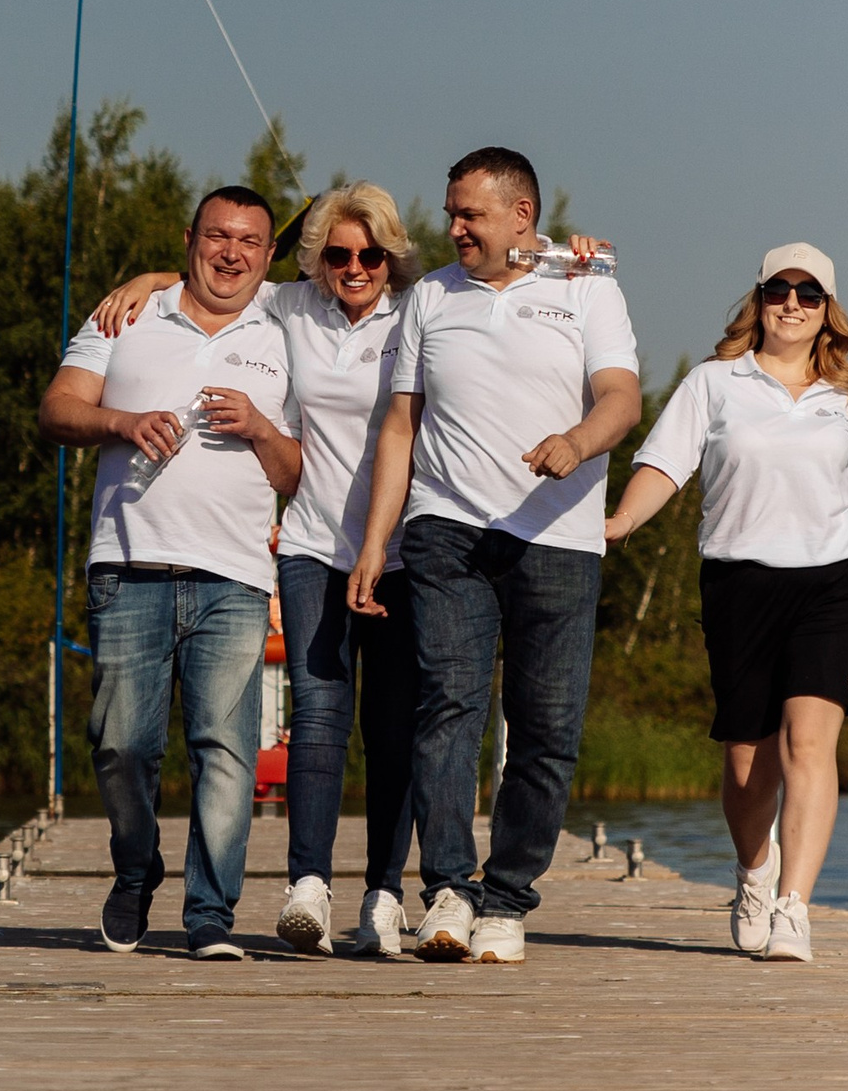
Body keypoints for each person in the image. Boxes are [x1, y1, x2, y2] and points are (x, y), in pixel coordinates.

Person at [96, 187, 611, 959]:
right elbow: (221, 272)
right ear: (317, 259)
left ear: (392, 255)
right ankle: (308, 884)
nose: (355, 266)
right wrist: (146, 280)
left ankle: (382, 894)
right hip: (311, 544)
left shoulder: (422, 308)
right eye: (337, 253)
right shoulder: (293, 306)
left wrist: (574, 256)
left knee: (397, 726)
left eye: (371, 253)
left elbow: (515, 277)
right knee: (318, 716)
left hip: (407, 550)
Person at [348, 147, 641, 965]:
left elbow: (622, 399)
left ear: (521, 215)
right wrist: (375, 541)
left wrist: (577, 441)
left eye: (469, 213)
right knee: (447, 705)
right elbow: (400, 425)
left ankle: (508, 898)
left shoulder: (587, 286)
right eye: (451, 212)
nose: (454, 228)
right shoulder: (431, 298)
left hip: (559, 537)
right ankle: (448, 888)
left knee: (547, 728)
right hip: (447, 530)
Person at [604, 243, 848, 963]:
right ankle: (755, 872)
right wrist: (620, 522)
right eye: (780, 290)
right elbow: (664, 465)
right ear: (760, 297)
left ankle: (795, 908)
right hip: (740, 583)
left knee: (809, 744)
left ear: (827, 310)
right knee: (748, 763)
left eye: (809, 294)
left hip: (833, 584)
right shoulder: (714, 383)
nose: (792, 304)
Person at [40, 186, 303, 960]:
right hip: (128, 566)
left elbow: (295, 474)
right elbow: (57, 409)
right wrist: (121, 422)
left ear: (269, 255)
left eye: (249, 241)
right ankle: (136, 868)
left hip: (235, 577)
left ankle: (210, 914)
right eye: (218, 235)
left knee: (226, 750)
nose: (232, 252)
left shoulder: (285, 329)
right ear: (189, 239)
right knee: (121, 744)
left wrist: (260, 427)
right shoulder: (125, 315)